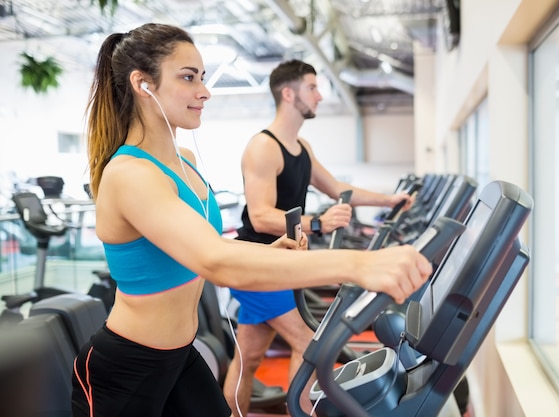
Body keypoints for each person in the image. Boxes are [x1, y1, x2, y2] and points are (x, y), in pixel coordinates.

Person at [71, 23, 432, 417]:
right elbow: (215, 262)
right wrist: (360, 264)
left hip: (179, 355)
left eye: (203, 78)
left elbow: (205, 247)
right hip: (126, 367)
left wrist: (270, 250)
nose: (204, 91)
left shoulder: (184, 164)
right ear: (143, 84)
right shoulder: (129, 174)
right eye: (188, 78)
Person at [223, 59, 416, 416]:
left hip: (281, 264)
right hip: (257, 262)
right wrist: (318, 224)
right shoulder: (263, 147)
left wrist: (389, 199)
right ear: (288, 93)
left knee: (248, 358)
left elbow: (338, 189)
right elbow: (262, 216)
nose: (320, 96)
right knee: (308, 342)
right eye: (312, 88)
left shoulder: (302, 148)